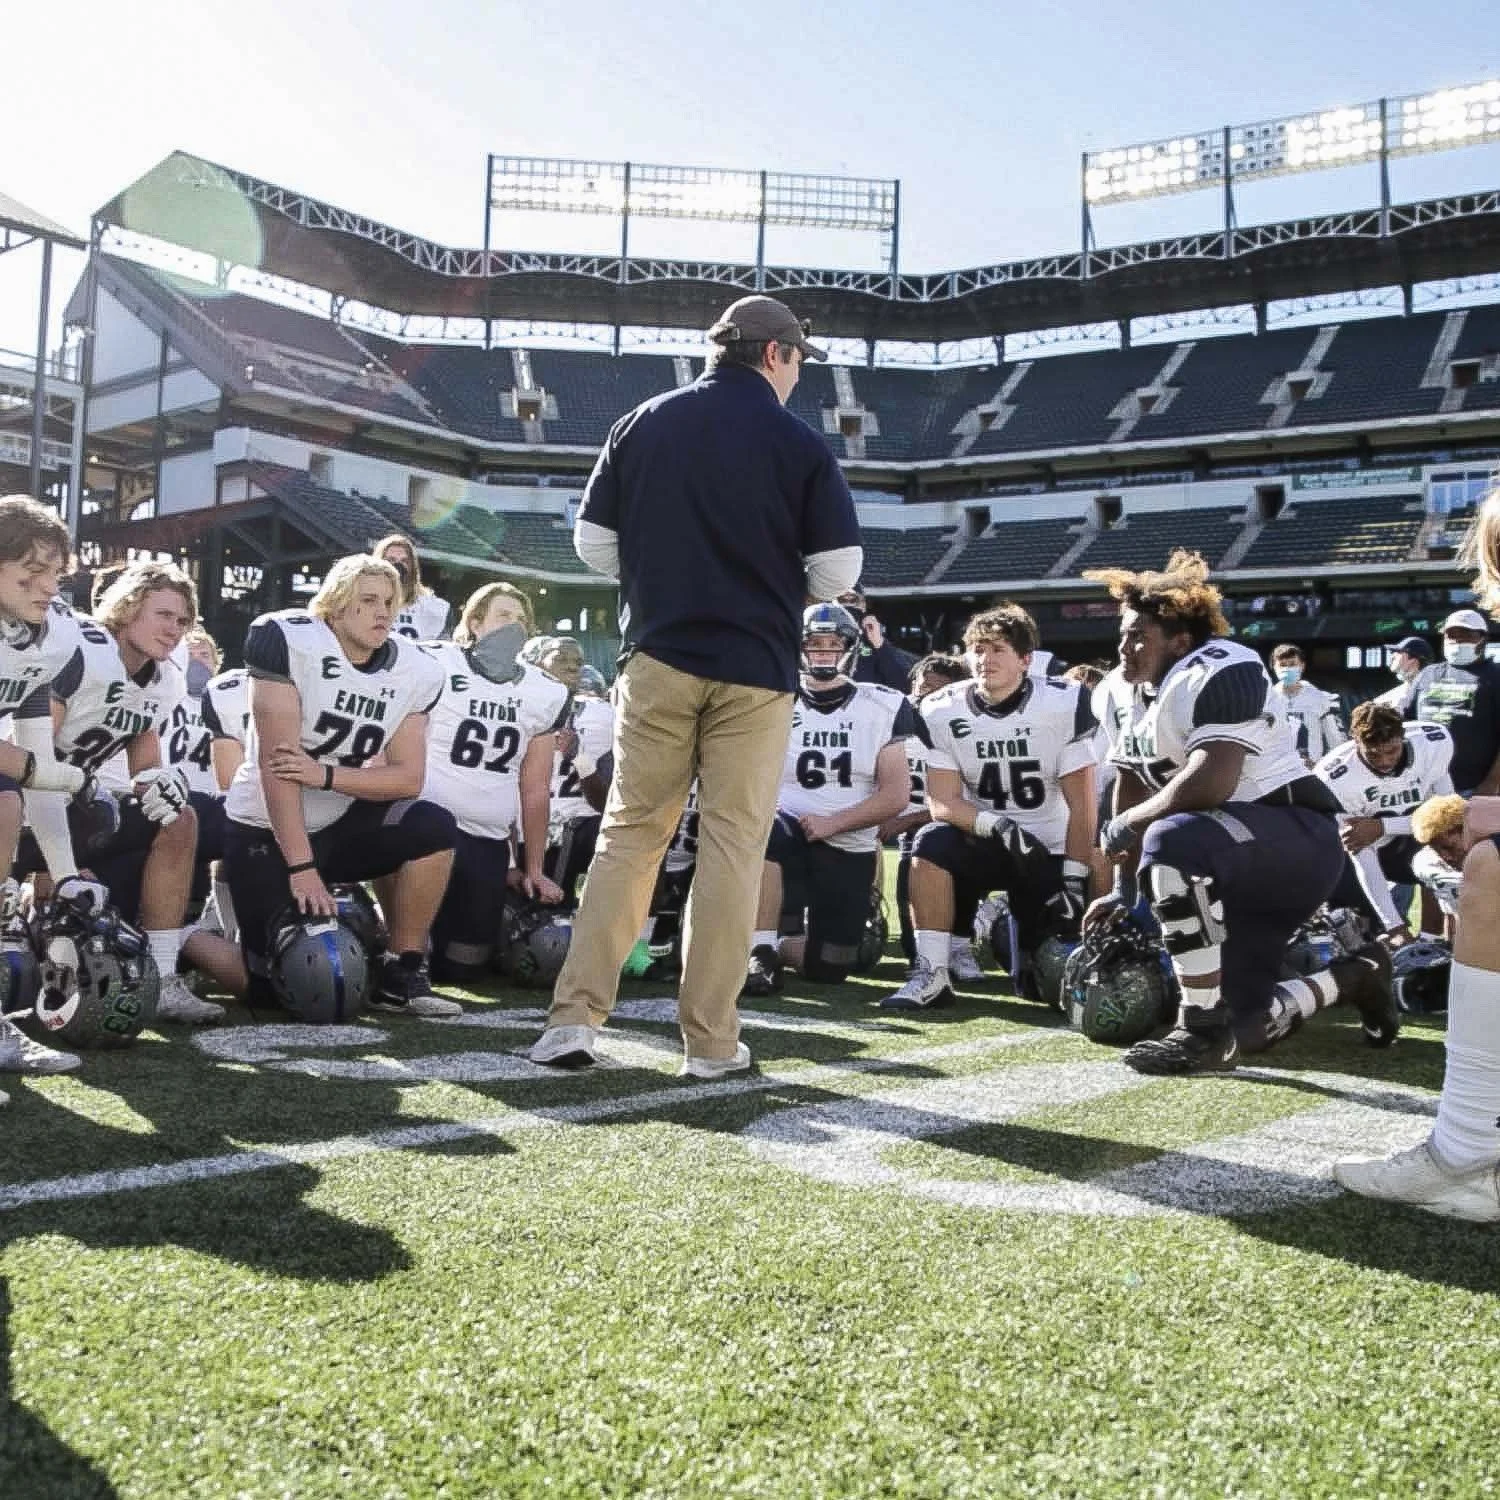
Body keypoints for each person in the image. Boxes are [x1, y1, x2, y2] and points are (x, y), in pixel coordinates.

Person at [529, 293, 861, 1077]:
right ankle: (710, 1042)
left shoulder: (642, 420)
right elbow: (836, 573)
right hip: (756, 670)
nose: (798, 374)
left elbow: (591, 545)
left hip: (659, 654)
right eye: (798, 360)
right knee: (733, 848)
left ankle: (573, 1021)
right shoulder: (800, 443)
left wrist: (665, 575)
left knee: (628, 837)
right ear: (776, 354)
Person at [1084, 551, 1394, 1074]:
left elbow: (1211, 781)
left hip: (1293, 842)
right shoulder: (1117, 691)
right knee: (1246, 1029)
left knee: (1172, 837)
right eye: (1123, 634)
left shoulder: (1226, 668)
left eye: (1138, 636)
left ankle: (1198, 1027)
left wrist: (1130, 825)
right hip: (1224, 854)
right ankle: (1356, 976)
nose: (1124, 647)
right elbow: (1133, 779)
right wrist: (1124, 887)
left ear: (1180, 641)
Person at [1337, 493, 1500, 1220]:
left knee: (1491, 865)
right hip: (1441, 818)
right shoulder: (1413, 705)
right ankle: (1468, 1150)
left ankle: (1462, 1151)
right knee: (1486, 864)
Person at [222, 554, 460, 1017]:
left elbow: (408, 779)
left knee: (432, 825)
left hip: (339, 818)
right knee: (276, 989)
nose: (383, 612)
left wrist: (326, 775)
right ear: (333, 604)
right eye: (367, 600)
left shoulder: (416, 669)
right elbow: (278, 768)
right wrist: (301, 866)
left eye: (389, 602)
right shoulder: (290, 641)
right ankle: (186, 941)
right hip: (264, 828)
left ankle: (402, 970)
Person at [21, 561, 224, 1024]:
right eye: (163, 614)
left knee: (178, 816)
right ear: (128, 607)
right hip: (21, 805)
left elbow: (144, 764)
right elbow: (34, 752)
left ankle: (164, 976)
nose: (174, 629)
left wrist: (161, 782)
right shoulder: (83, 650)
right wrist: (60, 863)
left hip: (76, 808)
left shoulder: (164, 678)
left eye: (182, 620)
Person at [884, 603, 1098, 1011]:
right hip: (987, 840)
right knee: (931, 840)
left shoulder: (1061, 703)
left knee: (1042, 988)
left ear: (1025, 659)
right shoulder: (942, 709)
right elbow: (942, 802)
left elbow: (1083, 806)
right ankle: (932, 973)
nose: (986, 660)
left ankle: (1008, 929)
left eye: (998, 649)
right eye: (978, 650)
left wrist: (1073, 879)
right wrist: (999, 827)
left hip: (1049, 848)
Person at [744, 604, 914, 995]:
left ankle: (781, 943)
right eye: (814, 644)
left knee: (831, 967)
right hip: (785, 834)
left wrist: (833, 823)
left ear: (851, 649)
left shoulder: (884, 704)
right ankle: (759, 951)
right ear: (799, 647)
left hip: (847, 842)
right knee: (766, 829)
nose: (824, 652)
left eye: (833, 644)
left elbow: (896, 795)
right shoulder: (771, 699)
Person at [0, 497, 102, 1090]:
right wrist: (62, 775)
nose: (47, 586)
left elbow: (35, 763)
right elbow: (33, 765)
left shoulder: (49, 637)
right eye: (31, 572)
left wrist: (64, 877)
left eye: (55, 572)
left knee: (5, 803)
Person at [1316, 703, 1454, 947]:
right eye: (1373, 754)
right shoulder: (1335, 776)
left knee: (1454, 843)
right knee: (1355, 921)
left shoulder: (1432, 743)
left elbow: (1448, 819)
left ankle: (1439, 937)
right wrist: (1394, 926)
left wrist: (1382, 826)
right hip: (1372, 854)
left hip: (1417, 835)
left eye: (1392, 750)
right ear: (1355, 742)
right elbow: (1361, 851)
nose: (1384, 761)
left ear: (1403, 737)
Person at [1400, 608, 1500, 795]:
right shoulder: (1427, 674)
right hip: (1425, 787)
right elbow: (1406, 722)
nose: (1457, 640)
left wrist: (1492, 783)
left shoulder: (1495, 676)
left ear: (1483, 638)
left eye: (1466, 635)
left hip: (1474, 788)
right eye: (1451, 635)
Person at [1269, 643, 1347, 766]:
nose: (1287, 668)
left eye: (1292, 664)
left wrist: (1326, 766)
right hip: (1277, 768)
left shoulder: (1321, 698)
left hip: (1310, 769)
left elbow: (1336, 739)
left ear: (1302, 666)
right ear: (1274, 667)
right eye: (1282, 665)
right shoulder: (1268, 700)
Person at [1409, 793, 1468, 942]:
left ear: (1469, 831)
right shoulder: (1426, 863)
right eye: (1437, 850)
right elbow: (1450, 911)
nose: (1446, 857)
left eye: (1449, 847)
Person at [836, 587, 917, 690]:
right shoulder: (822, 636)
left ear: (864, 605)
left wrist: (880, 644)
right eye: (842, 600)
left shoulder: (874, 640)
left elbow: (904, 685)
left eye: (853, 600)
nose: (848, 606)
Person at [373, 534, 450, 641]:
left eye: (404, 561)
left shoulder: (431, 607)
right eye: (391, 560)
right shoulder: (360, 600)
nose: (398, 566)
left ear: (412, 567)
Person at [1373, 634, 1432, 710]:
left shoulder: (1434, 694)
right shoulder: (1383, 701)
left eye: (1398, 652)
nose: (1393, 656)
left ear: (1413, 660)